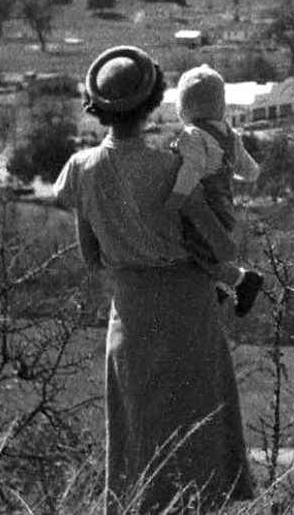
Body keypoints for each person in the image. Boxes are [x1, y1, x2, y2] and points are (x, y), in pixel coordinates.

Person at [52, 46, 253, 513]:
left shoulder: (80, 170)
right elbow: (220, 243)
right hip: (188, 312)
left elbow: (90, 255)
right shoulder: (172, 167)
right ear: (154, 101)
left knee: (138, 447)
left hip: (131, 316)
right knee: (198, 442)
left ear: (97, 106)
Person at [166, 65, 265, 316]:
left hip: (205, 208)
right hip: (225, 208)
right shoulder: (232, 136)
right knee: (209, 251)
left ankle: (240, 281)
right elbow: (251, 171)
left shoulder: (193, 135)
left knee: (193, 250)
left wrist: (174, 201)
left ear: (183, 108)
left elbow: (191, 170)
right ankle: (220, 285)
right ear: (221, 106)